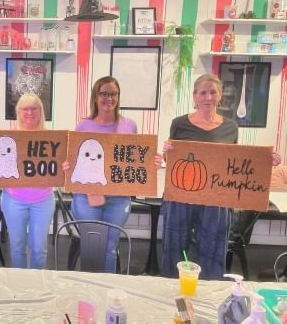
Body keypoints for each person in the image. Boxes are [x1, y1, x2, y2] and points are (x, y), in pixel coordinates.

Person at [161, 73, 281, 280]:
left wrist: (263, 160)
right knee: (174, 241)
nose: (208, 97)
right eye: (203, 92)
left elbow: (235, 160)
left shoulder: (230, 127)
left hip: (216, 198)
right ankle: (172, 284)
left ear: (220, 97)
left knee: (213, 243)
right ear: (195, 97)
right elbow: (171, 159)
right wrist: (166, 150)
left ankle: (210, 288)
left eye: (212, 92)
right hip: (182, 194)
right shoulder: (179, 124)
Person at [64, 76, 162, 273]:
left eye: (113, 94)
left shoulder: (129, 126)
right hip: (87, 197)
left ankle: (105, 290)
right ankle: (89, 291)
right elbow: (75, 159)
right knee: (92, 247)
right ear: (95, 97)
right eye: (104, 94)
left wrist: (152, 163)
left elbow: (134, 159)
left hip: (118, 199)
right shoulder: (83, 127)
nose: (109, 98)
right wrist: (68, 165)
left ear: (118, 97)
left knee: (110, 247)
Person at [0, 93, 54, 269]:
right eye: (25, 108)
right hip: (14, 199)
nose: (29, 112)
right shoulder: (9, 136)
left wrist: (64, 165)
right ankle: (20, 286)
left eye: (34, 108)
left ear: (41, 111)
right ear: (18, 112)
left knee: (39, 249)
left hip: (43, 200)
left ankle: (37, 286)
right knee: (17, 247)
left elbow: (60, 163)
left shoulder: (52, 137)